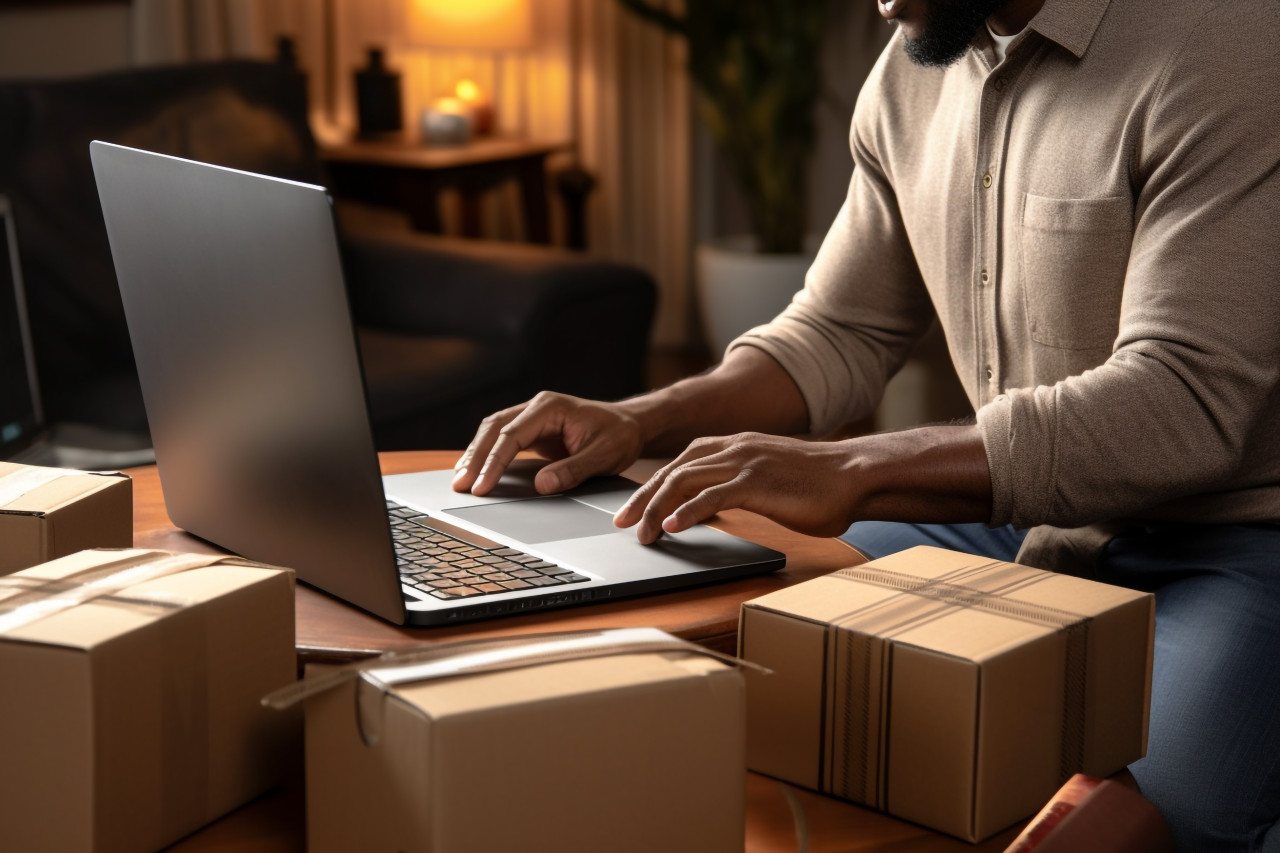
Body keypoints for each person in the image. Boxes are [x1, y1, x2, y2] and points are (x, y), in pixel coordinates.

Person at [453, 0, 1280, 848]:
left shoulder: (1230, 47)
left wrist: (857, 468)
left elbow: (1186, 401)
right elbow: (839, 330)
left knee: (1158, 818)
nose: (883, 2)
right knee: (741, 650)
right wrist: (640, 417)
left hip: (1235, 541)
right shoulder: (912, 68)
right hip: (1019, 521)